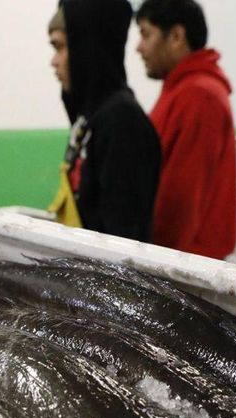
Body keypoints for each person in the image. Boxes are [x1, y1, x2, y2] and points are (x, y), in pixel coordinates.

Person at [47, 0, 161, 242]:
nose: (53, 61)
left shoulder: (122, 123)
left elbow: (121, 245)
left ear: (86, 49)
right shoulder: (91, 117)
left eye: (60, 47)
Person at [136, 0, 236, 259]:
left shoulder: (199, 97)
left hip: (183, 268)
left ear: (177, 36)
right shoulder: (181, 90)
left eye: (146, 34)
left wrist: (152, 264)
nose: (139, 47)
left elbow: (179, 205)